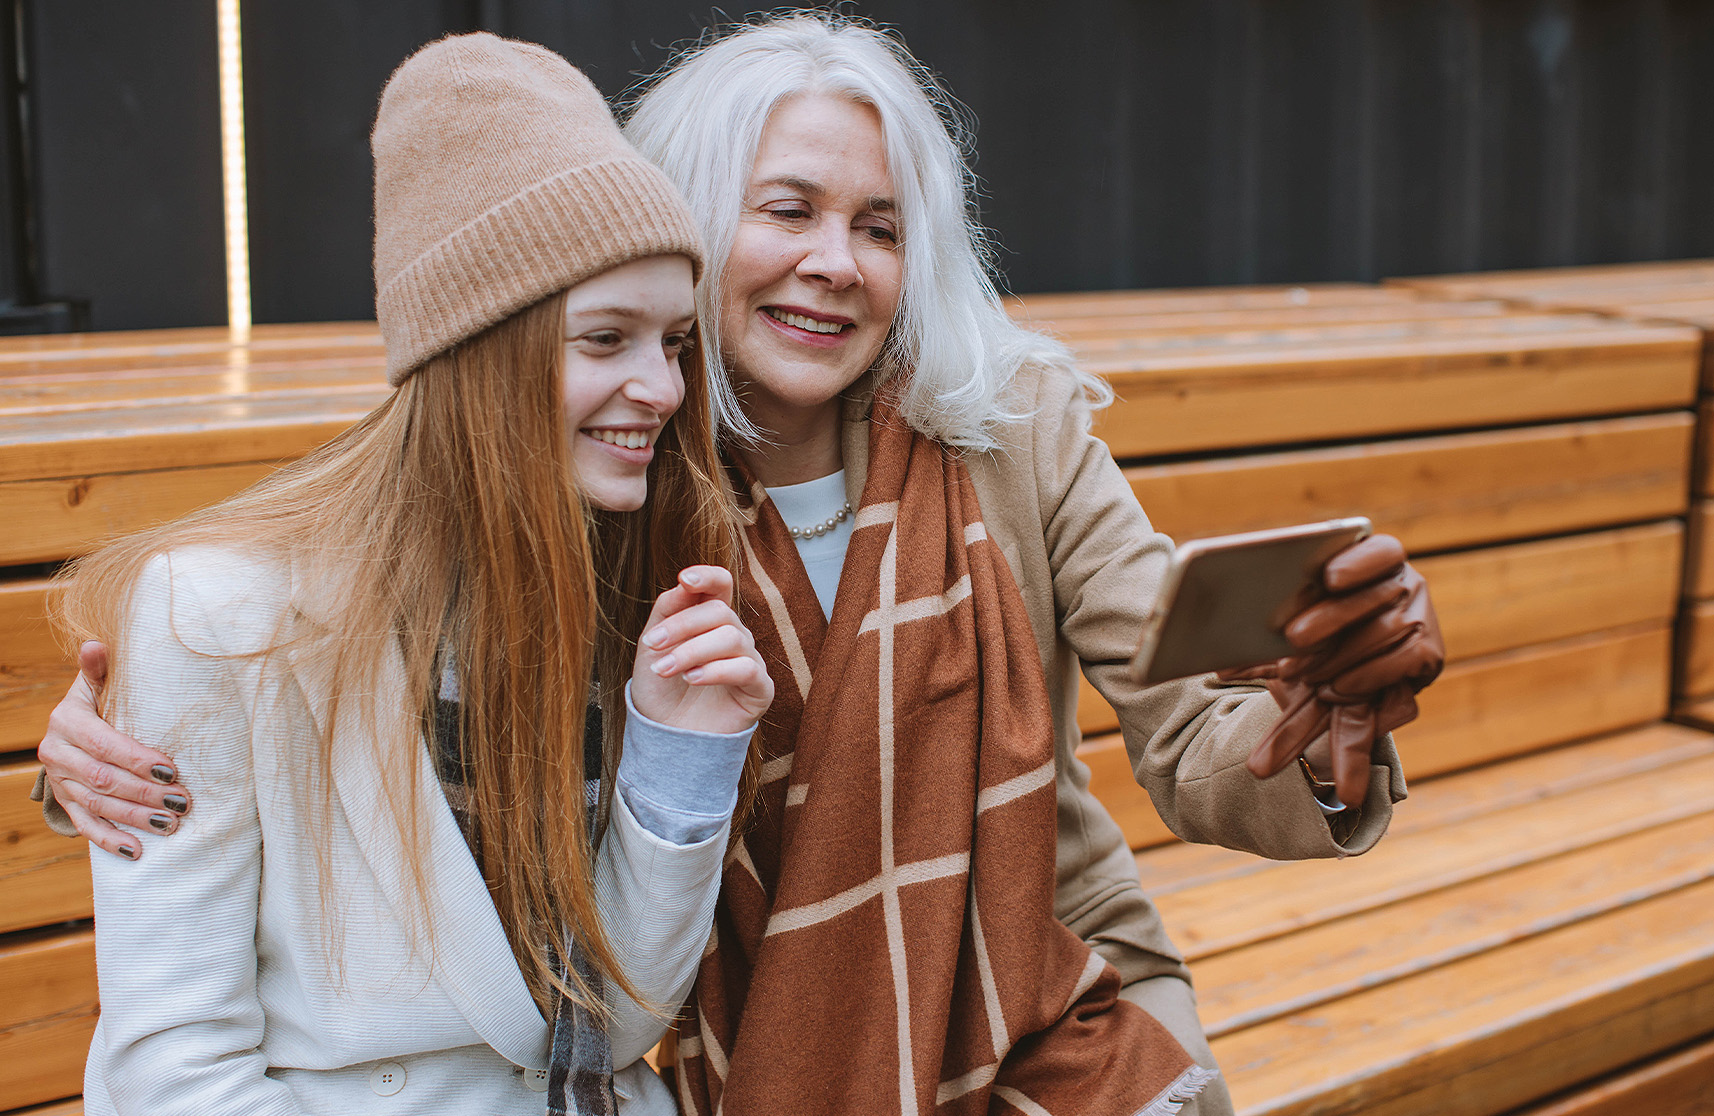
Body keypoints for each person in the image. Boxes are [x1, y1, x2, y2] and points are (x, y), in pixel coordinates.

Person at [38, 13, 1443, 1116]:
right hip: (732, 1038)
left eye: (879, 227)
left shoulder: (1008, 431)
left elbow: (1195, 728)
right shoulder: (604, 479)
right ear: (682, 224)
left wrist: (1321, 741)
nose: (836, 262)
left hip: (1049, 1002)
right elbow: (362, 638)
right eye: (787, 211)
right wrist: (108, 750)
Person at [46, 33, 771, 1116]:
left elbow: (616, 1029)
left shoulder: (632, 581)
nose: (662, 389)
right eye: (604, 338)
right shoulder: (220, 614)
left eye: (671, 342)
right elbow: (175, 1067)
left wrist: (681, 757)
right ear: (476, 351)